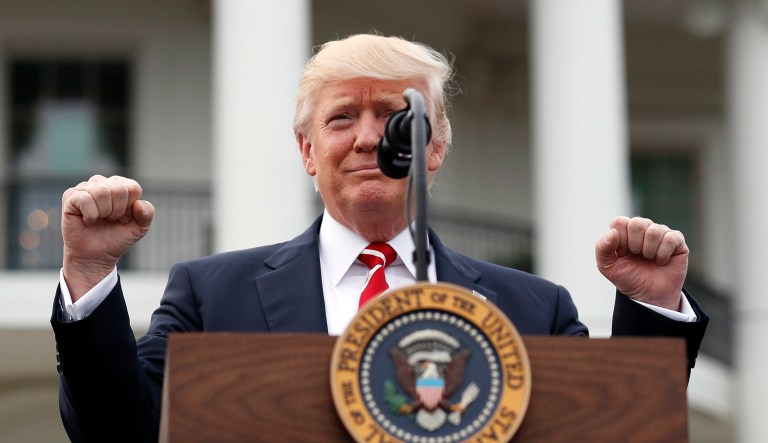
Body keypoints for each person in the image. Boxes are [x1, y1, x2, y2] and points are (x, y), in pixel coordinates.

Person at [51, 34, 708, 443]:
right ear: (308, 152)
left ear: (435, 147)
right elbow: (118, 432)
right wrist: (87, 273)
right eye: (343, 117)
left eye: (396, 116)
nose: (369, 138)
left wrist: (651, 308)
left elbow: (613, 429)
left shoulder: (534, 309)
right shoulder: (212, 294)